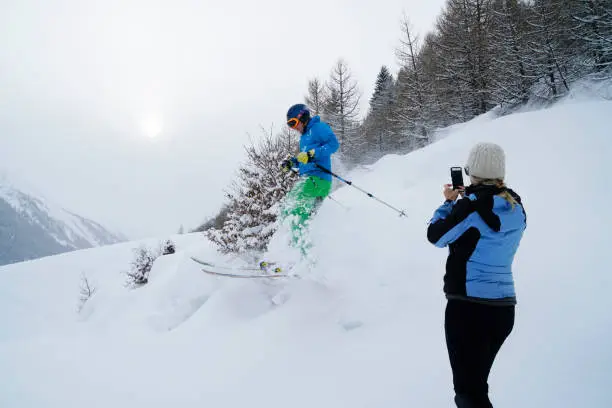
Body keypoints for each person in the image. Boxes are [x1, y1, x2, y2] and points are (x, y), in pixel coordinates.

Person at [426, 142, 527, 408]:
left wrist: (449, 203)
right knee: (476, 389)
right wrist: (467, 199)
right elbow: (485, 214)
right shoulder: (516, 207)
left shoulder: (468, 208)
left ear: (474, 172)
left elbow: (436, 236)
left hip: (468, 308)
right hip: (503, 310)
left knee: (468, 394)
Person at [278, 103, 339, 254]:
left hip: (318, 179)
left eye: (293, 123)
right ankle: (302, 255)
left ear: (303, 117)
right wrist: (292, 162)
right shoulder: (304, 138)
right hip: (309, 179)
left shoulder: (318, 128)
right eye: (290, 125)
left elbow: (333, 144)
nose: (293, 128)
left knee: (294, 208)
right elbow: (304, 158)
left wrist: (313, 154)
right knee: (291, 212)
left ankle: (305, 257)